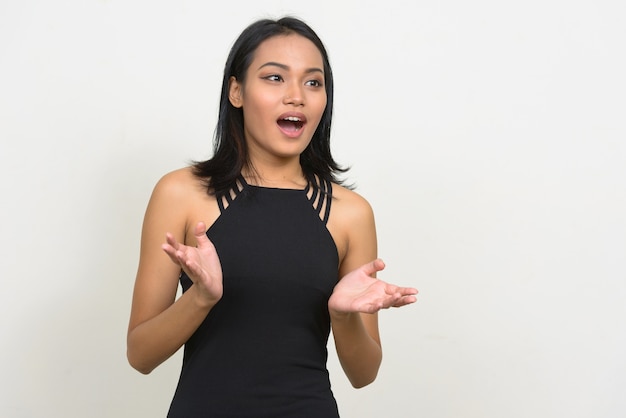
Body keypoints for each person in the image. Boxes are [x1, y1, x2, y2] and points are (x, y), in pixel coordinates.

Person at [127, 16, 418, 417]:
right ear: (236, 91)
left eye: (313, 82)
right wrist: (201, 298)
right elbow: (140, 354)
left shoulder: (350, 213)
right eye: (275, 78)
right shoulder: (181, 194)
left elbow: (364, 373)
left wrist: (341, 315)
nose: (296, 96)